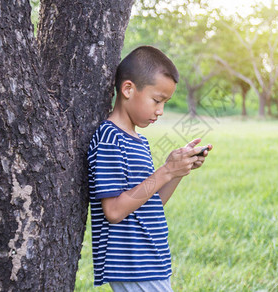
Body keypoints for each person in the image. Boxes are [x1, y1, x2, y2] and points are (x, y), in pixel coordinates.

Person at [87, 45, 212, 291]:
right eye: (157, 100)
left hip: (152, 260)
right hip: (132, 264)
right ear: (128, 89)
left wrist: (176, 172)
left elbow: (150, 202)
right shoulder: (109, 139)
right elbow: (113, 211)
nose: (160, 111)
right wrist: (165, 171)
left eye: (165, 103)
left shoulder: (138, 140)